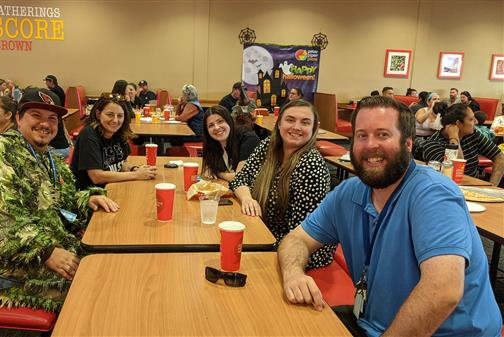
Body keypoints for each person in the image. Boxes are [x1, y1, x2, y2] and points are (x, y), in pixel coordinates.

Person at [277, 95, 502, 337]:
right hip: (372, 323)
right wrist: (293, 275)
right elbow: (296, 239)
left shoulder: (433, 194)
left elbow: (443, 291)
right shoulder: (349, 193)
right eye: (362, 135)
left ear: (408, 144)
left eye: (383, 135)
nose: (370, 145)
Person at [0, 88, 120, 311]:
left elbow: (64, 203)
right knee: (98, 285)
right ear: (18, 118)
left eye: (52, 119)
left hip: (48, 243)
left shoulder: (49, 157)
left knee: (111, 263)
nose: (45, 124)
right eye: (36, 116)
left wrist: (88, 199)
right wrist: (46, 252)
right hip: (3, 264)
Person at [230, 99, 336, 267]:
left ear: (314, 129)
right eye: (290, 119)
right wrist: (247, 198)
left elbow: (299, 236)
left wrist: (255, 246)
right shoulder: (268, 146)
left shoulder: (311, 165)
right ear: (279, 124)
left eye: (305, 122)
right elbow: (240, 178)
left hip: (300, 253)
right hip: (266, 234)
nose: (296, 127)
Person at [71, 95, 156, 189]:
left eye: (120, 116)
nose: (115, 120)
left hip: (112, 186)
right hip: (91, 195)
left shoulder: (118, 132)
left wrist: (135, 169)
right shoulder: (88, 135)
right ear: (98, 114)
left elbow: (121, 163)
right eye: (110, 115)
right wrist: (137, 175)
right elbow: (97, 177)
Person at [423, 103, 504, 185]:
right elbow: (456, 170)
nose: (476, 122)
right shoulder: (433, 143)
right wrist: (454, 137)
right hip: (448, 189)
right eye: (471, 119)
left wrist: (492, 186)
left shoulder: (473, 134)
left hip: (475, 186)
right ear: (458, 124)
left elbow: (500, 157)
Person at [201, 105, 259, 182]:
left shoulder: (249, 139)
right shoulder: (212, 144)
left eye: (220, 121)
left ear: (229, 121)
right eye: (211, 125)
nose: (216, 127)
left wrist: (218, 173)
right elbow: (207, 170)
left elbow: (241, 179)